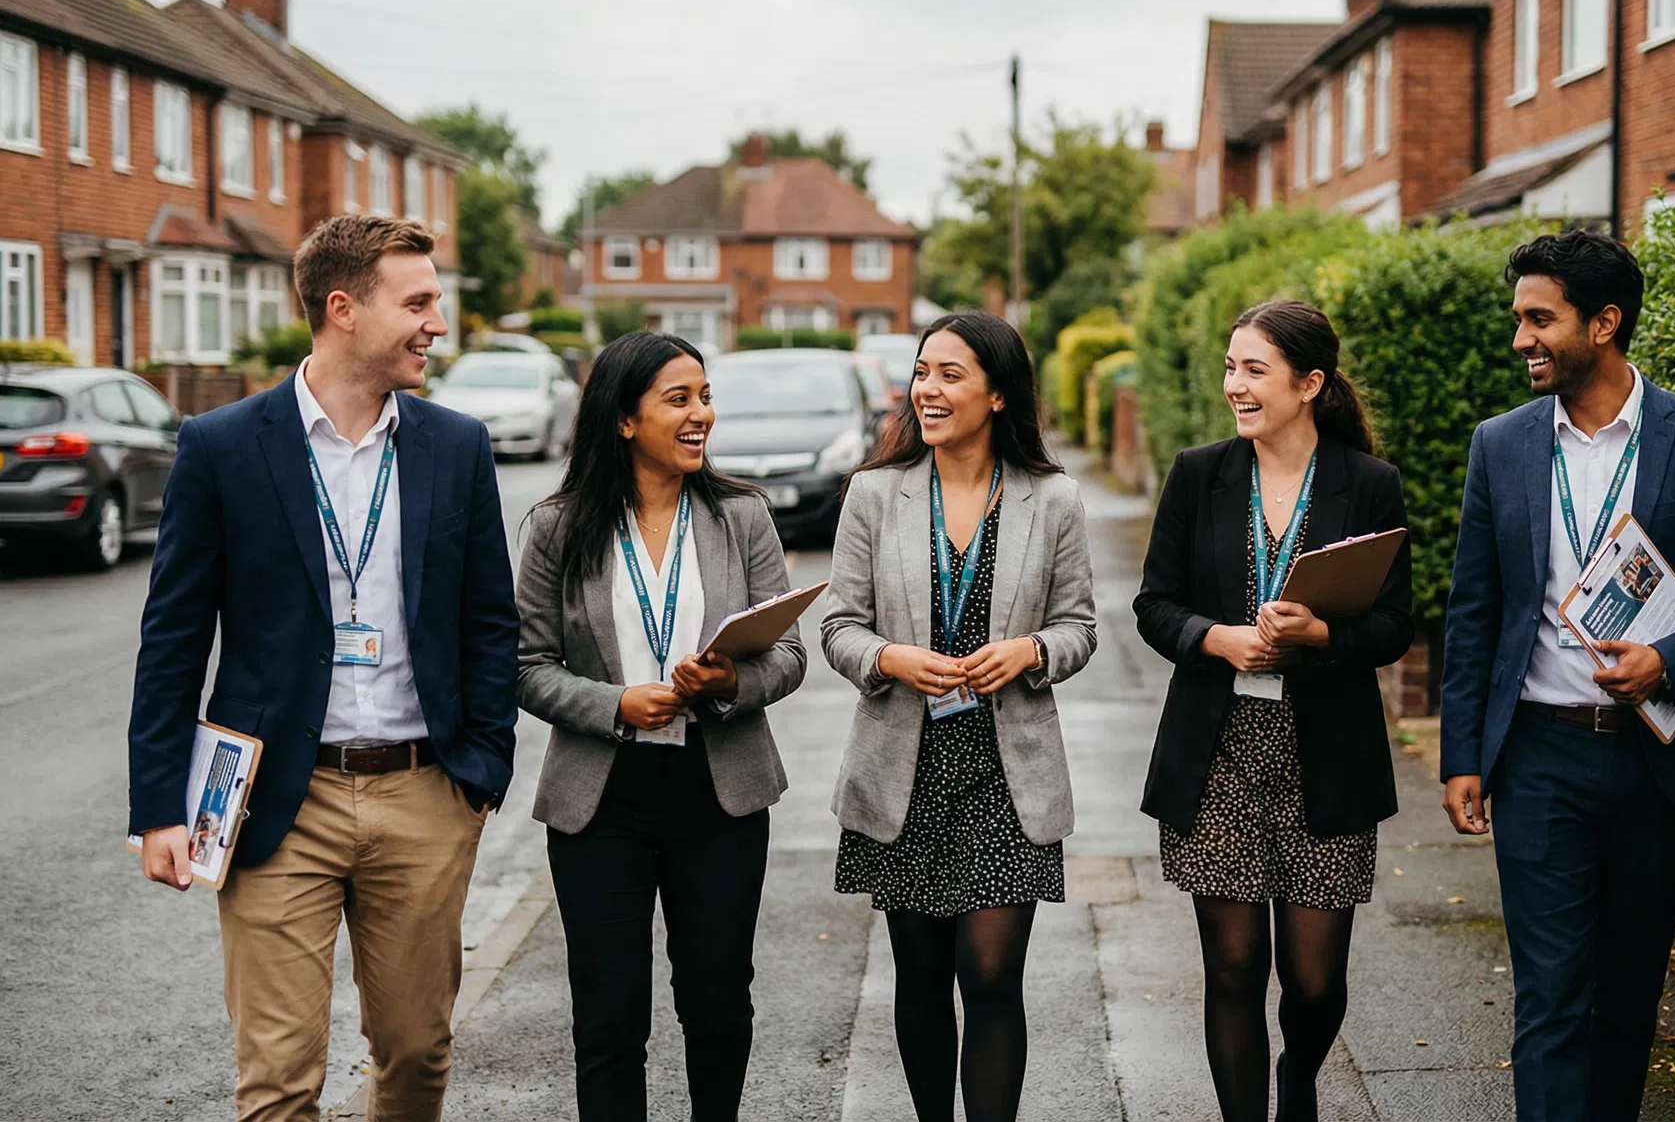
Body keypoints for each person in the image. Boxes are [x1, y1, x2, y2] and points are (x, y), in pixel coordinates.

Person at [128, 215, 518, 1121]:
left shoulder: (455, 445)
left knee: (417, 1054)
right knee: (277, 1080)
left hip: (423, 791)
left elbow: (488, 621)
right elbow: (174, 637)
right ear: (343, 309)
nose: (437, 324)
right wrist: (158, 807)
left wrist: (482, 772)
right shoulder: (222, 446)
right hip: (274, 801)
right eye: (418, 303)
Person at [1439, 229, 1675, 1122]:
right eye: (1520, 319)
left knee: (1628, 998)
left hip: (1653, 760)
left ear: (1604, 321)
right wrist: (1461, 755)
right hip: (1539, 757)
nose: (1521, 339)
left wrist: (1671, 657)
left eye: (1539, 319)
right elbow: (1474, 611)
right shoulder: (1501, 445)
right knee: (1551, 997)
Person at [516, 331, 806, 1121]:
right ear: (622, 419)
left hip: (719, 789)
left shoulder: (740, 515)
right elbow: (526, 665)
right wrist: (614, 705)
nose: (700, 415)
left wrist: (730, 683)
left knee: (716, 1005)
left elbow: (788, 654)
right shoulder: (557, 525)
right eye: (679, 399)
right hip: (600, 798)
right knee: (608, 1017)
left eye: (705, 397)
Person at [1134, 299, 1412, 1122]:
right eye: (1230, 367)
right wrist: (1217, 639)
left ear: (1309, 383)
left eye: (1254, 369)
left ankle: (1299, 1078)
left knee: (1315, 981)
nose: (1235, 386)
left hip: (1326, 749)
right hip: (1215, 750)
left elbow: (1396, 625)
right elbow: (1154, 604)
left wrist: (1322, 632)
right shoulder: (1199, 473)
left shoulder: (1370, 484)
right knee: (1232, 967)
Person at [821, 312, 1097, 1122]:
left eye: (950, 374)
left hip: (1008, 774)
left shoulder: (1053, 499)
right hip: (901, 770)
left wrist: (1032, 653)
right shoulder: (875, 493)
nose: (928, 390)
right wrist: (889, 660)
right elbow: (838, 628)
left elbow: (1080, 628)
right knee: (920, 978)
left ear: (998, 394)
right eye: (922, 372)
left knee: (990, 976)